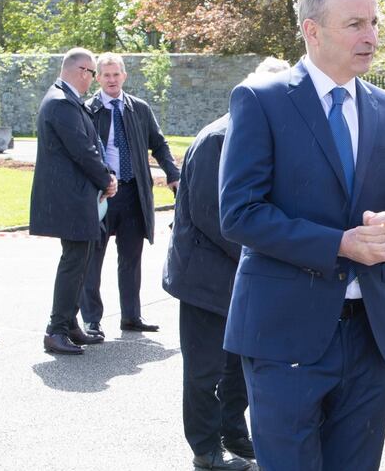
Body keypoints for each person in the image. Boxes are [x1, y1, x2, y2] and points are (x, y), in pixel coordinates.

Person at [218, 0, 385, 471]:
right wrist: (340, 243)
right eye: (355, 23)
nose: (371, 36)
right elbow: (239, 213)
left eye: (375, 23)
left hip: (370, 338)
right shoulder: (261, 101)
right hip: (284, 334)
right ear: (312, 30)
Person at [163, 57, 289, 471]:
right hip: (206, 279)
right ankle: (205, 450)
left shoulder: (254, 134)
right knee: (205, 370)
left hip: (241, 275)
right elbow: (215, 219)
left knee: (237, 366)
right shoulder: (219, 138)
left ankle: (233, 432)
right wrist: (270, 253)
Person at [81, 53, 180, 337]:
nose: (112, 80)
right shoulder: (88, 110)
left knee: (131, 258)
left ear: (124, 76)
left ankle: (131, 316)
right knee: (92, 259)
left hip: (133, 193)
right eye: (106, 75)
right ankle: (92, 321)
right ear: (98, 78)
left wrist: (173, 175)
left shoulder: (139, 109)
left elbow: (158, 144)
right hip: (100, 195)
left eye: (116, 74)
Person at [30, 48, 117, 355]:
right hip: (71, 197)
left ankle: (69, 323)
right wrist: (106, 179)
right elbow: (82, 150)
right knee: (74, 261)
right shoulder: (61, 102)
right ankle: (55, 330)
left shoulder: (64, 100)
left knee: (80, 259)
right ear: (82, 71)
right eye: (93, 74)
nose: (92, 81)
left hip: (75, 196)